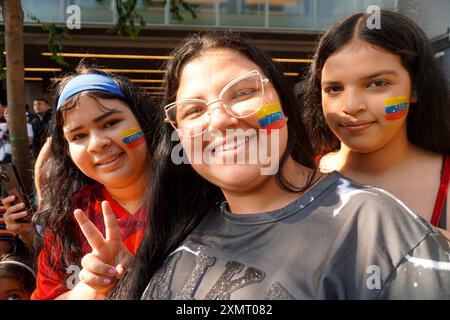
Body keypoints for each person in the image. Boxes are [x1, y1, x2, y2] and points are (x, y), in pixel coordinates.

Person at [76, 32, 449, 300]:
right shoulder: (183, 227)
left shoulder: (371, 223)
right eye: (194, 110)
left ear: (283, 104)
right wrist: (120, 287)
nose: (220, 121)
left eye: (242, 93)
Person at [5, 65, 158, 300]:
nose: (97, 143)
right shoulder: (68, 219)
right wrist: (91, 290)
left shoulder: (195, 196)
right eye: (78, 136)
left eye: (110, 123)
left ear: (143, 122)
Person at [302, 10, 450, 238]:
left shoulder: (446, 185)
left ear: (415, 88)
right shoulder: (296, 176)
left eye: (377, 83)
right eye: (334, 89)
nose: (351, 105)